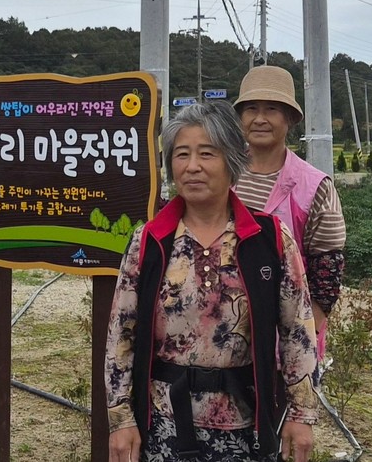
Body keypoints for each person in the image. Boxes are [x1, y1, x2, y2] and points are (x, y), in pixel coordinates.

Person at [105, 101, 318, 462]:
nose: (192, 166)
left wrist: (301, 414)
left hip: (248, 424)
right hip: (163, 426)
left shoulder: (269, 239)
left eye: (207, 153)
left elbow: (298, 330)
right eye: (181, 154)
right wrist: (120, 418)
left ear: (232, 161)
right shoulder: (151, 241)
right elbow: (121, 335)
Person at [233, 65, 346, 359]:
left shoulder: (315, 186)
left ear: (290, 118)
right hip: (223, 346)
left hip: (284, 349)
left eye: (271, 109)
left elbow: (327, 273)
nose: (259, 119)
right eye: (251, 109)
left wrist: (301, 341)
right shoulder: (222, 174)